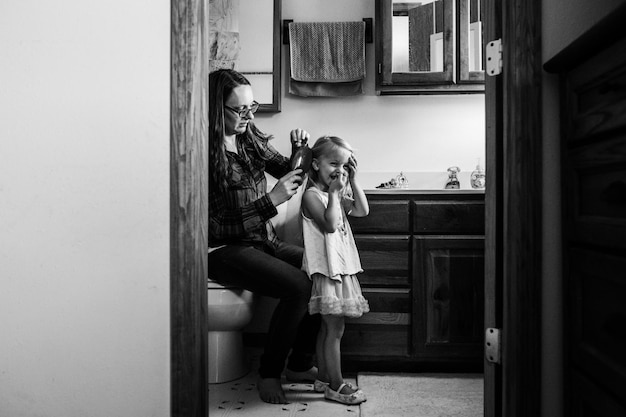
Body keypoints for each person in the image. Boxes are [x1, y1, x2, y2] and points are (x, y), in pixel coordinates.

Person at [208, 68, 320, 404]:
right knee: (298, 286)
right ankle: (269, 374)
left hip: (261, 241)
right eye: (239, 110)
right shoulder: (204, 152)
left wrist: (301, 149)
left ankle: (300, 365)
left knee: (321, 269)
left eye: (251, 107)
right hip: (223, 249)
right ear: (216, 108)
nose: (247, 116)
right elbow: (215, 225)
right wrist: (271, 201)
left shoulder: (248, 138)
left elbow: (291, 172)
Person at [300, 135, 370, 405]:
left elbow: (363, 210)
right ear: (316, 164)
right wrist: (333, 193)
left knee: (328, 329)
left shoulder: (338, 193)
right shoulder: (312, 196)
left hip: (341, 269)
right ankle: (336, 385)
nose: (339, 170)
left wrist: (352, 181)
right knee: (335, 329)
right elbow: (329, 225)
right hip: (327, 272)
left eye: (344, 165)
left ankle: (324, 378)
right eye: (333, 163)